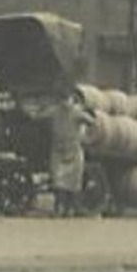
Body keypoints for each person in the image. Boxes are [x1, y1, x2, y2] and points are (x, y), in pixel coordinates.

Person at [47, 89, 94, 218]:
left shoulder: (75, 113)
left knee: (72, 182)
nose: (65, 103)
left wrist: (86, 136)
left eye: (67, 99)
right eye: (63, 100)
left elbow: (91, 121)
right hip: (59, 151)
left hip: (72, 150)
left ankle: (70, 208)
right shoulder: (57, 112)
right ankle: (60, 208)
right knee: (59, 181)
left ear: (71, 100)